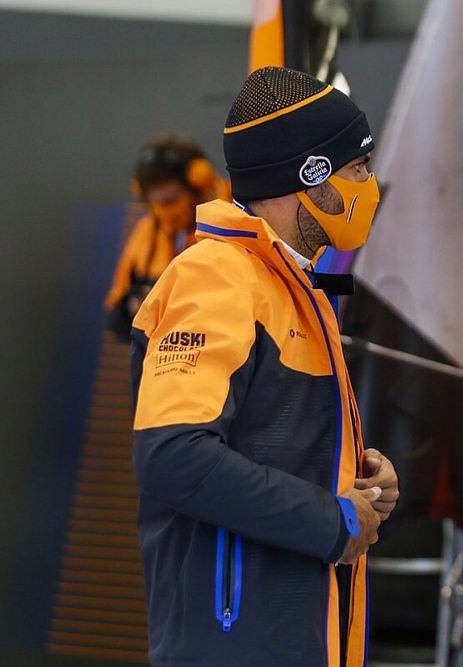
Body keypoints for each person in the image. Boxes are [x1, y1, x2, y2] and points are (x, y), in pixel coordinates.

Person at [131, 66, 399, 666]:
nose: (371, 185)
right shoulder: (217, 277)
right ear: (309, 175)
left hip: (298, 632)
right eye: (358, 168)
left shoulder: (292, 285)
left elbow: (269, 443)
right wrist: (332, 518)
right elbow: (172, 455)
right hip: (231, 640)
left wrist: (360, 482)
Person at [105, 134, 228, 340]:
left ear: (200, 184)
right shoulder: (148, 230)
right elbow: (116, 314)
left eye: (171, 200)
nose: (163, 211)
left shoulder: (239, 220)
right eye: (156, 203)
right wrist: (133, 306)